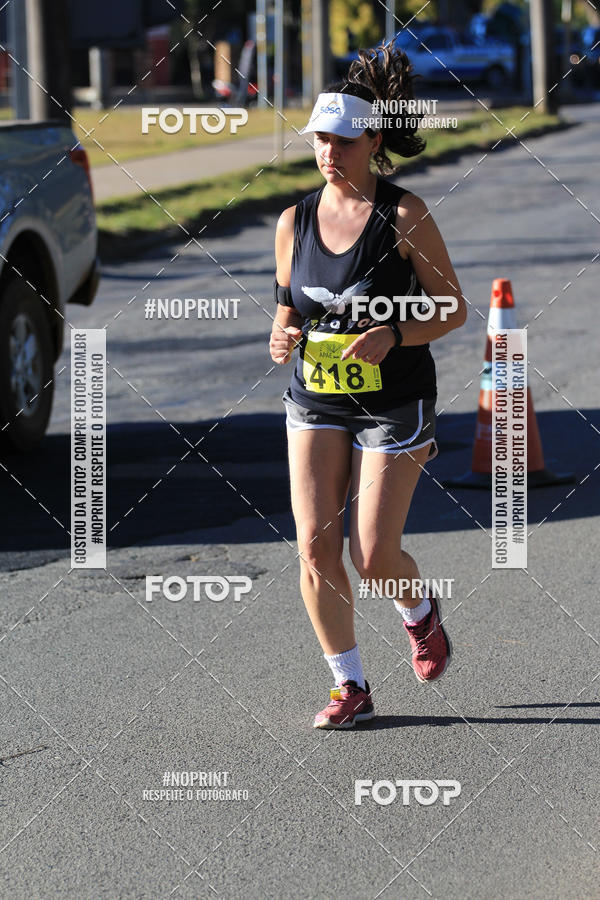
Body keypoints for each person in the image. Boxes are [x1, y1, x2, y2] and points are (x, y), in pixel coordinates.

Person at [269, 43, 466, 729]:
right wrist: (281, 332)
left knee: (373, 553)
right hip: (316, 397)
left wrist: (394, 333)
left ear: (373, 140)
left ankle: (418, 610)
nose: (329, 152)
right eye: (321, 139)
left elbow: (452, 307)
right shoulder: (293, 222)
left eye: (343, 140)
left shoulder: (404, 216)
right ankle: (348, 685)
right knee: (316, 545)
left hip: (394, 401)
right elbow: (289, 301)